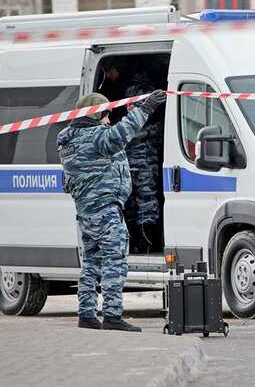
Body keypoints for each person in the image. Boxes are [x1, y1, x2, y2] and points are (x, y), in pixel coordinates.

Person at [57, 90, 166, 331]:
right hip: (105, 209)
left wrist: (132, 114)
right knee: (114, 259)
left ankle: (86, 314)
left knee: (92, 262)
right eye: (106, 115)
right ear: (96, 116)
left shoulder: (71, 140)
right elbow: (118, 135)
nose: (109, 120)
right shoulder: (97, 137)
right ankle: (112, 315)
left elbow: (113, 137)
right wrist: (145, 108)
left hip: (87, 211)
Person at [123, 68, 165, 254]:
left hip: (146, 166)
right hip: (132, 168)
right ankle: (138, 241)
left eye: (133, 104)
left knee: (147, 203)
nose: (129, 108)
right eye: (128, 104)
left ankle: (147, 242)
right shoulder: (130, 123)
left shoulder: (153, 125)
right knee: (133, 204)